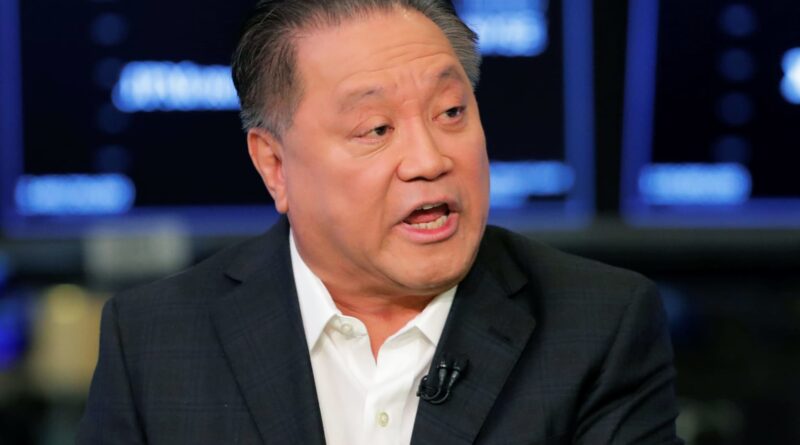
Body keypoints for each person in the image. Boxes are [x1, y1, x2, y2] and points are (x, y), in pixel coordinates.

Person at [77, 0, 682, 443]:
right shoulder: (154, 341)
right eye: (377, 129)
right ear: (275, 166)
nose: (429, 160)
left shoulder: (598, 326)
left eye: (451, 112)